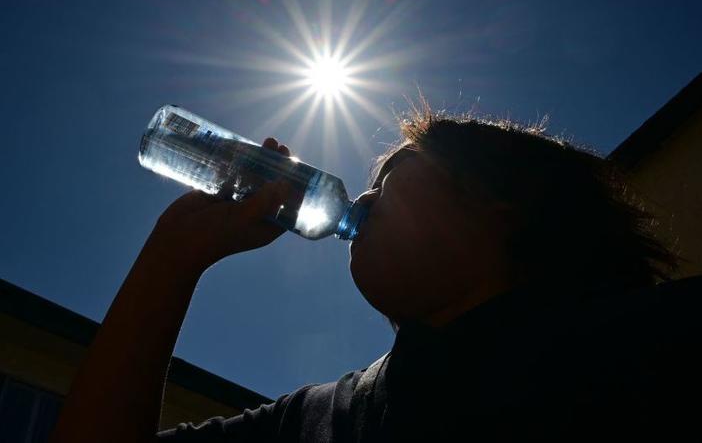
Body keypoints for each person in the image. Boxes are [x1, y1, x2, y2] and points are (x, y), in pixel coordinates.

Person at [50, 104, 700, 443]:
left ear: (498, 201)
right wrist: (173, 255)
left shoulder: (653, 348)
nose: (360, 200)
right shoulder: (315, 420)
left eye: (386, 179)